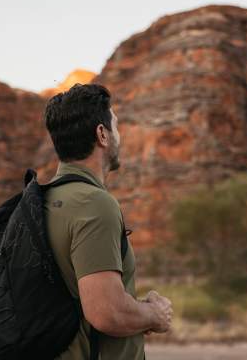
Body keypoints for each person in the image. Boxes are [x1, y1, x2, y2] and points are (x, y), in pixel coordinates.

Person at [43, 83, 173, 359]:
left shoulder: (40, 200)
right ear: (102, 134)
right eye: (115, 126)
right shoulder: (93, 203)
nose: (120, 136)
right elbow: (106, 312)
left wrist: (134, 311)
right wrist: (154, 314)